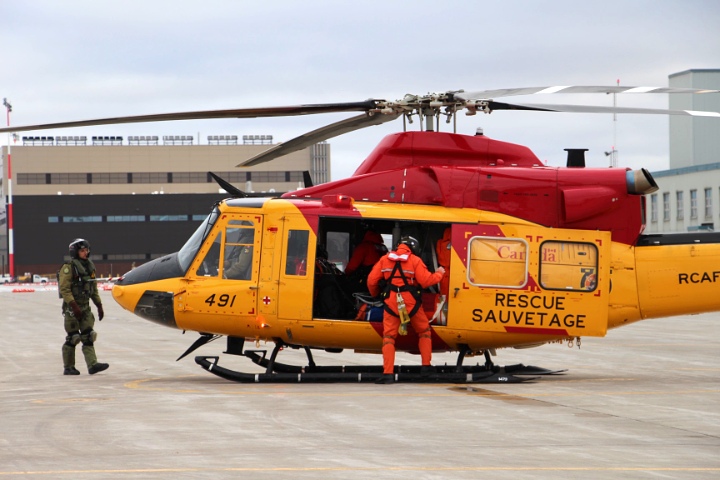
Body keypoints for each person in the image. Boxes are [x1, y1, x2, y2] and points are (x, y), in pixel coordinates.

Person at [367, 236, 445, 384]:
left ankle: (388, 374)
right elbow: (427, 281)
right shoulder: (415, 260)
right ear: (412, 248)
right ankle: (426, 367)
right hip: (411, 303)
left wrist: (376, 295)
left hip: (391, 303)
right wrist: (439, 273)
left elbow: (371, 280)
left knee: (389, 338)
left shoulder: (384, 259)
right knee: (424, 332)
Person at [59, 238, 109, 376]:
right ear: (75, 252)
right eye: (82, 250)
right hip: (72, 309)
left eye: (86, 250)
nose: (85, 252)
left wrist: (99, 305)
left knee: (88, 336)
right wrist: (74, 306)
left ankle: (92, 365)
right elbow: (65, 289)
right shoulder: (69, 268)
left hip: (85, 307)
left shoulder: (89, 267)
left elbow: (93, 288)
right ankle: (68, 367)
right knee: (73, 337)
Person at [436, 227, 451, 297]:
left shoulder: (440, 242)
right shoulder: (458, 244)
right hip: (453, 272)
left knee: (443, 295)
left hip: (443, 273)